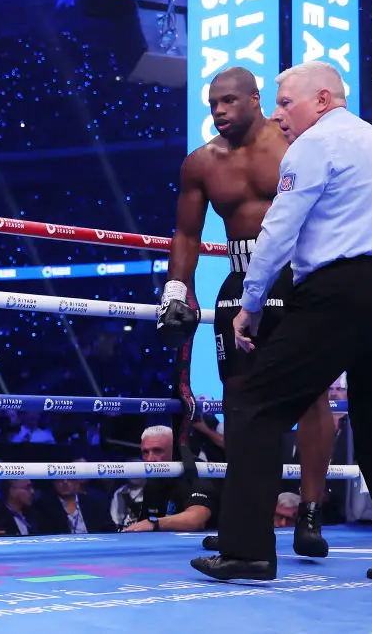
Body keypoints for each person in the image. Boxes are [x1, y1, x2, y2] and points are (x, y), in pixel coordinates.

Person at [190, 61, 372, 585]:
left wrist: (251, 302)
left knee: (259, 405)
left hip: (340, 290)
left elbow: (279, 230)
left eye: (286, 103)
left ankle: (246, 551)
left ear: (322, 100)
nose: (278, 116)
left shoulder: (312, 145)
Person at [157, 65, 333, 557]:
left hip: (300, 277)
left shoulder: (297, 145)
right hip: (239, 281)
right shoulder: (201, 163)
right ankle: (245, 520)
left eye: (229, 101)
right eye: (213, 104)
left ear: (256, 99)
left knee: (312, 393)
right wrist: (177, 289)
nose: (218, 112)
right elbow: (187, 234)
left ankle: (310, 513)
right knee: (239, 403)